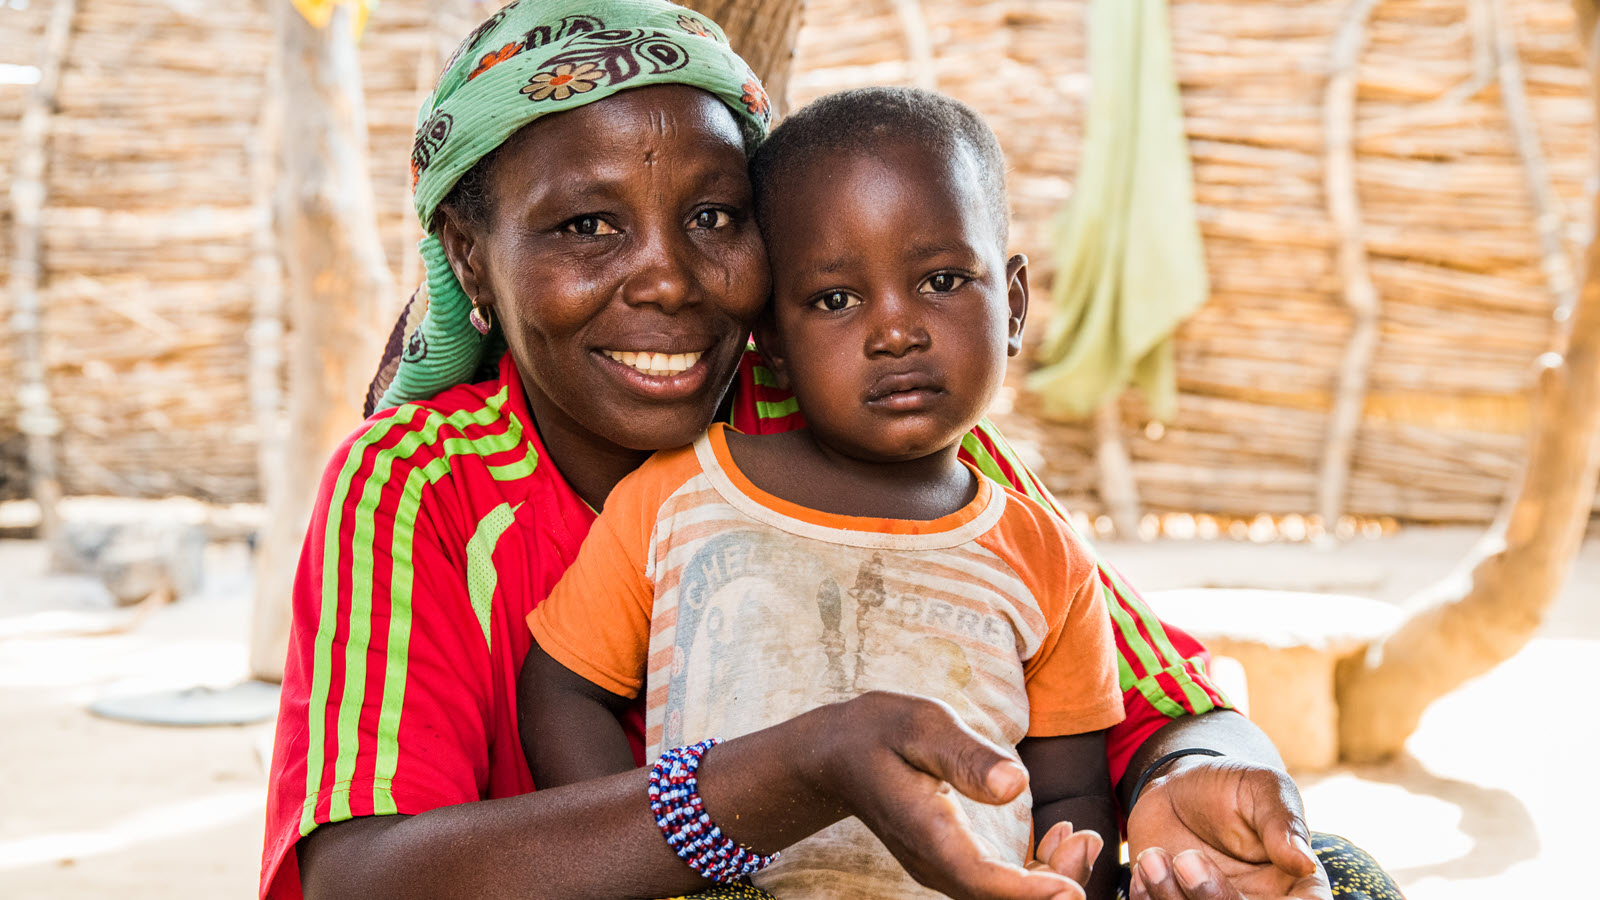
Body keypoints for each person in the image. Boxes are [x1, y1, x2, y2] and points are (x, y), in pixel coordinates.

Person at [262, 2, 1402, 899]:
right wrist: (784, 776)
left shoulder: (867, 433)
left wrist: (1190, 786)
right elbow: (361, 877)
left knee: (1337, 879)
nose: (664, 276)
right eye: (584, 226)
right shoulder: (423, 484)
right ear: (468, 258)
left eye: (714, 217)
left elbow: (1172, 702)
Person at [519, 86, 1125, 900]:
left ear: (1011, 307)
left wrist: (1069, 869)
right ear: (770, 340)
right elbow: (562, 690)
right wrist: (649, 865)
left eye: (942, 281)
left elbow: (1071, 790)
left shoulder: (1044, 555)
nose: (896, 331)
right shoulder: (679, 499)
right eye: (836, 300)